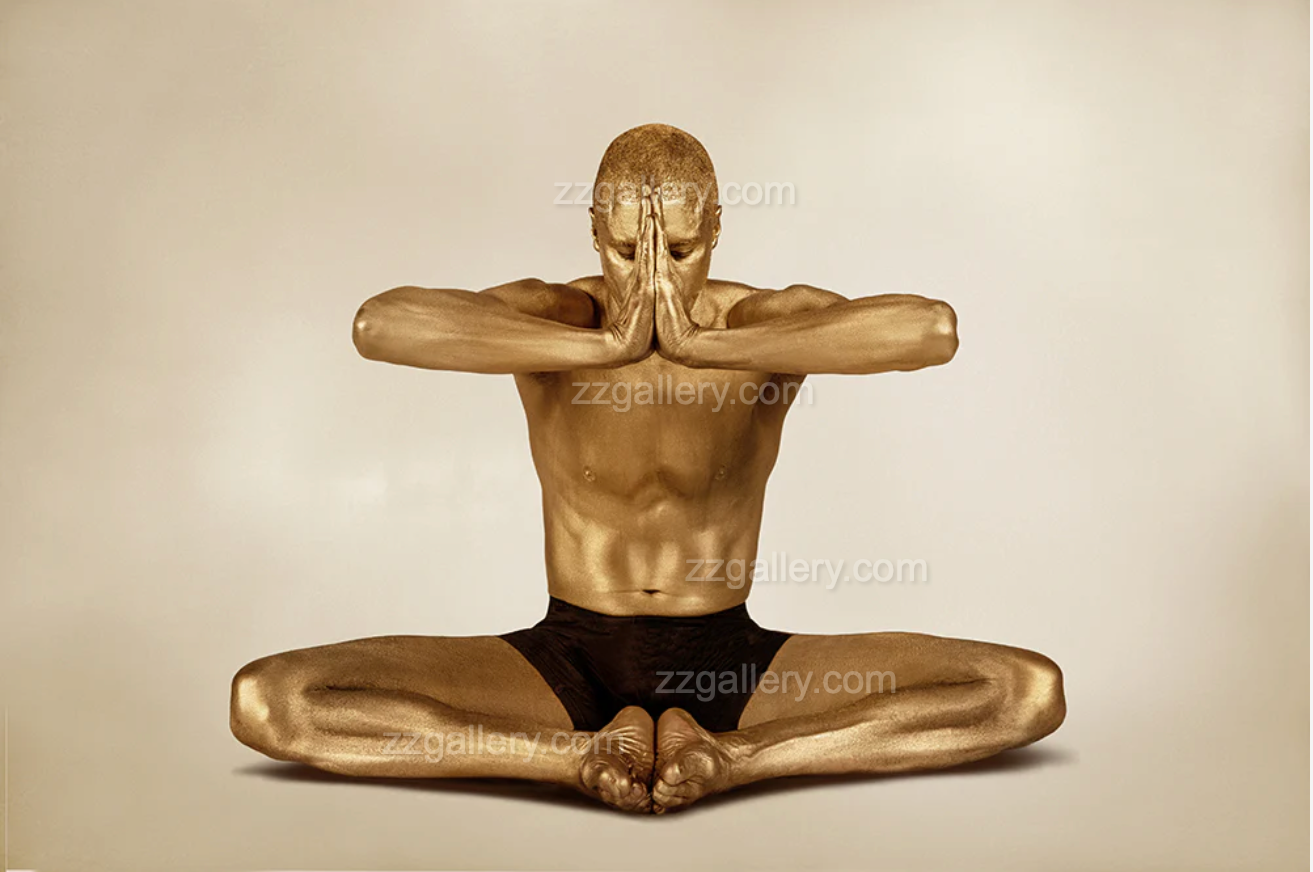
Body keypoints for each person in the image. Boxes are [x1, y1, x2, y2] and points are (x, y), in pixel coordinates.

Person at [230, 123, 1065, 814]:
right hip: (563, 660)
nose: (655, 277)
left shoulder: (760, 320)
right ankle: (570, 759)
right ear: (595, 231)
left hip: (738, 662)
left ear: (718, 229)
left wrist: (710, 347)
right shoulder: (558, 315)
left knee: (1024, 691)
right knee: (271, 702)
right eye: (629, 251)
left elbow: (930, 331)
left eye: (682, 248)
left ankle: (739, 760)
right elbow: (381, 325)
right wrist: (597, 346)